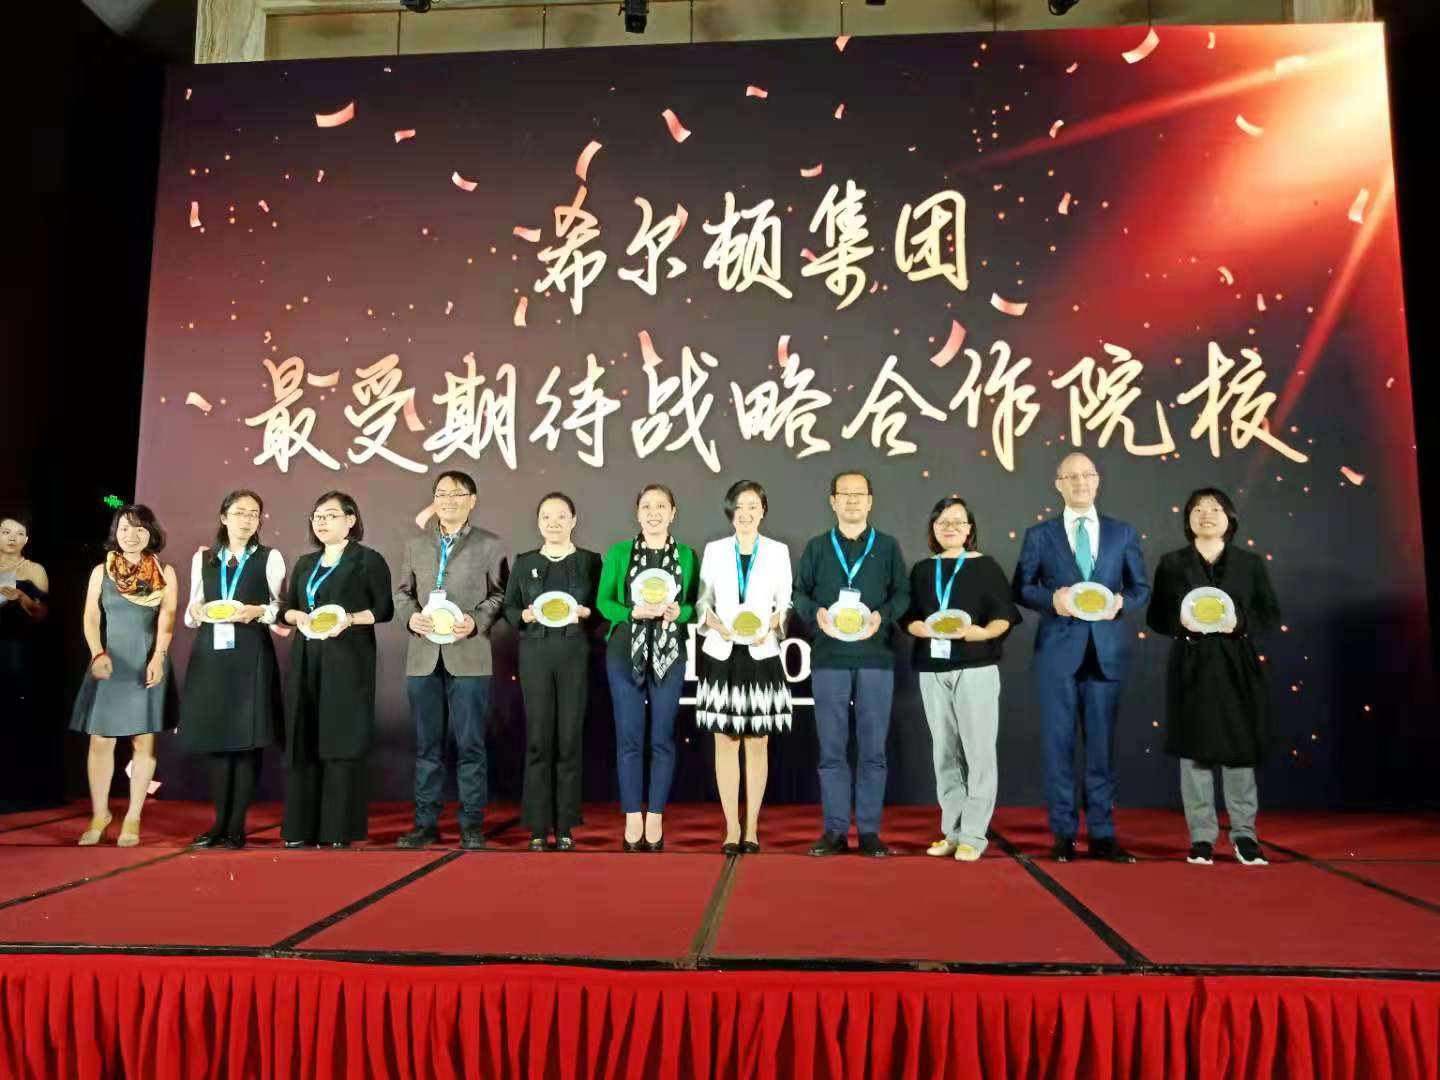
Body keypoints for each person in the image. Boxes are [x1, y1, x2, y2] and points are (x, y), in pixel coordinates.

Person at [1012, 453, 1150, 863]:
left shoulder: (1122, 533)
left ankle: (1103, 834)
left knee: (1102, 748)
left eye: (1086, 475)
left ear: (1097, 481)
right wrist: (1051, 600)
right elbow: (1021, 588)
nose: (1079, 482)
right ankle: (1063, 833)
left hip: (1105, 653)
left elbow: (1141, 588)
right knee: (1058, 746)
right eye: (1070, 476)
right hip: (1057, 653)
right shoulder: (1040, 535)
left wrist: (1120, 604)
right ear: (1058, 484)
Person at [1147, 488, 1280, 867]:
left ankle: (1245, 836)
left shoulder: (1250, 563)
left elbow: (1270, 614)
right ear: (1188, 519)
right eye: (1198, 509)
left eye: (1215, 508)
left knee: (1240, 750)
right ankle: (1201, 838)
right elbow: (1156, 616)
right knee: (1194, 751)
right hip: (1191, 662)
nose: (1206, 515)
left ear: (1229, 518)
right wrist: (1180, 623)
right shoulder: (1172, 563)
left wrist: (1239, 622)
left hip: (1236, 662)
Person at [792, 471, 910, 857]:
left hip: (875, 657)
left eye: (860, 494)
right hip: (829, 657)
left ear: (870, 501)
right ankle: (835, 831)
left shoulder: (887, 546)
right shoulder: (817, 547)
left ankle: (870, 832)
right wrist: (816, 613)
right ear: (833, 501)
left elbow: (902, 594)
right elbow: (799, 593)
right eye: (845, 494)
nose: (853, 500)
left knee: (873, 751)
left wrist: (882, 616)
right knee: (832, 751)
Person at [393, 472, 508, 850]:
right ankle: (425, 823)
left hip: (469, 654)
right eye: (441, 494)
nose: (448, 500)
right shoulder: (415, 545)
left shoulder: (490, 544)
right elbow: (403, 593)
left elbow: (500, 595)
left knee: (471, 745)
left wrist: (476, 621)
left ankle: (472, 824)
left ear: (472, 500)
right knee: (427, 747)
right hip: (423, 655)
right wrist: (411, 617)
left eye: (457, 494)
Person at [904, 497, 1020, 862]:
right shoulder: (923, 570)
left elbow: (1004, 616)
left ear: (969, 529)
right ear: (933, 529)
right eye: (942, 521)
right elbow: (908, 616)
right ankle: (952, 831)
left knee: (979, 753)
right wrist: (919, 628)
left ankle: (973, 835)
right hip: (933, 668)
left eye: (958, 521)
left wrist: (982, 634)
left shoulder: (986, 567)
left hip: (976, 667)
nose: (950, 527)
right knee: (944, 753)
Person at [280, 491, 393, 848]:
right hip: (306, 658)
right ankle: (300, 829)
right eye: (317, 516)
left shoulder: (367, 559)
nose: (322, 522)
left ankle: (337, 829)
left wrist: (350, 619)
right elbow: (287, 608)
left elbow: (384, 610)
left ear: (351, 520)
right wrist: (295, 616)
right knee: (304, 734)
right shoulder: (305, 563)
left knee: (340, 736)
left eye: (330, 515)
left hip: (347, 659)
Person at [179, 490, 285, 850]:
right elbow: (193, 608)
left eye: (253, 514)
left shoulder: (270, 557)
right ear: (224, 517)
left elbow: (280, 608)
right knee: (218, 741)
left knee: (246, 741)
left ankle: (236, 826)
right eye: (239, 512)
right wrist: (195, 612)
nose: (246, 520)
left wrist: (258, 611)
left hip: (250, 654)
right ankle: (219, 824)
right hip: (211, 656)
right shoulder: (204, 558)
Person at [70, 504, 179, 847]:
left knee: (142, 741)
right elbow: (90, 617)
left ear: (151, 533)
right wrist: (96, 653)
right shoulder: (100, 571)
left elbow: (168, 620)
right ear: (115, 533)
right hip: (109, 664)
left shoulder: (164, 572)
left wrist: (159, 657)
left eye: (139, 529)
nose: (131, 535)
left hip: (146, 664)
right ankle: (99, 814)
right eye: (124, 528)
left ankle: (133, 817)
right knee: (100, 740)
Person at [597, 483, 698, 852]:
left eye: (661, 506)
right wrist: (630, 612)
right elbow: (603, 602)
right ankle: (632, 816)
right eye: (646, 506)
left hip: (670, 650)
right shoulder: (619, 552)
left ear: (673, 512)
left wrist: (679, 612)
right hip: (625, 648)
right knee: (629, 738)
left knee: (662, 738)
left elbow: (695, 606)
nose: (654, 513)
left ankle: (655, 814)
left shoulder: (687, 555)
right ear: (637, 513)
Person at [695, 481, 793, 854]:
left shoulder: (778, 551)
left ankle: (752, 826)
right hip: (722, 653)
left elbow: (786, 602)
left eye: (753, 505)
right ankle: (731, 827)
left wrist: (771, 626)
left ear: (763, 511)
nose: (746, 512)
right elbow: (703, 600)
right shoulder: (715, 550)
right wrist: (714, 623)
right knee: (725, 740)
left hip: (761, 653)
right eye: (740, 506)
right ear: (730, 511)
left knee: (757, 741)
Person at [504, 493, 601, 851]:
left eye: (561, 516)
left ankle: (565, 826)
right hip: (536, 653)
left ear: (573, 520)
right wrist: (523, 615)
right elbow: (509, 608)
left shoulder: (590, 561)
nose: (554, 522)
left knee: (569, 739)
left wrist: (588, 613)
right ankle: (537, 826)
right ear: (538, 522)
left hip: (574, 652)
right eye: (546, 516)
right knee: (538, 739)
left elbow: (604, 608)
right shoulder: (524, 561)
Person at [0, 513, 51, 802]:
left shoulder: (33, 569)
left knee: (14, 715)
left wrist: (22, 598)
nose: (12, 538)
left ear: (26, 540)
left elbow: (44, 612)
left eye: (19, 533)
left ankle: (17, 788)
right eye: (6, 532)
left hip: (18, 650)